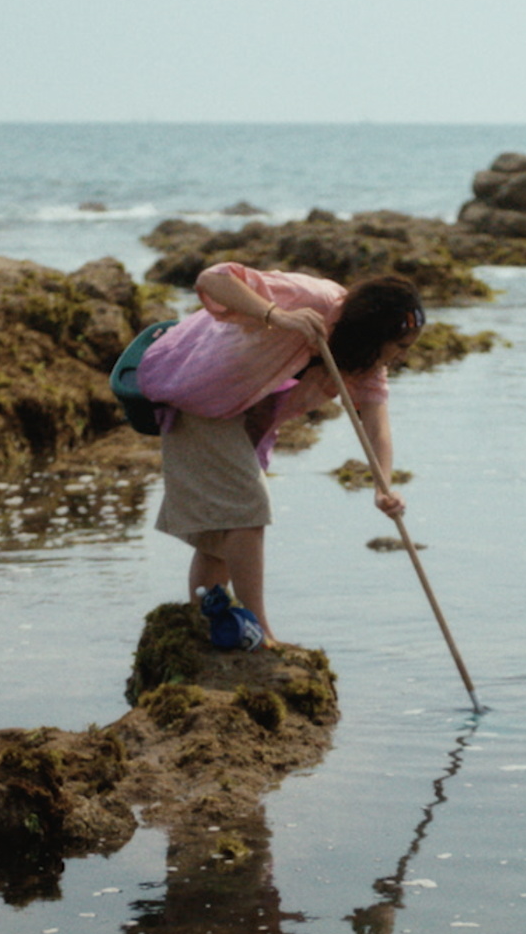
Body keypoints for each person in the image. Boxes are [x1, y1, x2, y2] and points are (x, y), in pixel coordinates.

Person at [135, 261, 425, 649]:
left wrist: (382, 485)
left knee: (218, 537)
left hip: (248, 417)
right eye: (401, 346)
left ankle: (209, 627)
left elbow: (375, 418)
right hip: (199, 394)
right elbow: (212, 279)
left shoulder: (364, 360)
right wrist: (279, 316)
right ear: (377, 330)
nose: (401, 356)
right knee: (247, 510)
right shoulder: (314, 298)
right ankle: (261, 635)